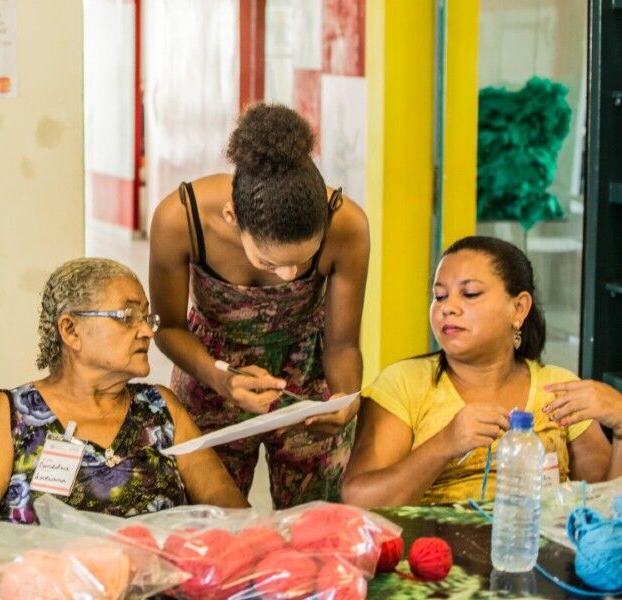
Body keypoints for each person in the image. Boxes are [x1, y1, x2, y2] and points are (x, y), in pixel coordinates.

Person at [148, 103, 370, 508]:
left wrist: (345, 397)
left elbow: (342, 345)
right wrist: (220, 378)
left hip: (307, 392)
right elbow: (167, 327)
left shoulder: (348, 225)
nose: (288, 275)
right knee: (211, 529)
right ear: (233, 216)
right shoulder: (182, 218)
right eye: (269, 262)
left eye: (303, 262)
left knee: (314, 532)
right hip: (209, 374)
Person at [0, 258, 248, 524]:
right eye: (128, 317)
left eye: (147, 318)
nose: (146, 331)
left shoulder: (159, 409)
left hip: (153, 583)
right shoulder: (13, 414)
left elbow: (226, 502)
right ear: (71, 330)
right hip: (46, 585)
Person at [342, 236, 615, 508]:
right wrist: (444, 444)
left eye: (470, 294)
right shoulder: (403, 383)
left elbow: (605, 507)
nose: (448, 307)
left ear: (519, 308)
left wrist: (620, 423)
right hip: (433, 549)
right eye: (439, 296)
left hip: (532, 548)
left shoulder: (558, 389)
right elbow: (359, 500)